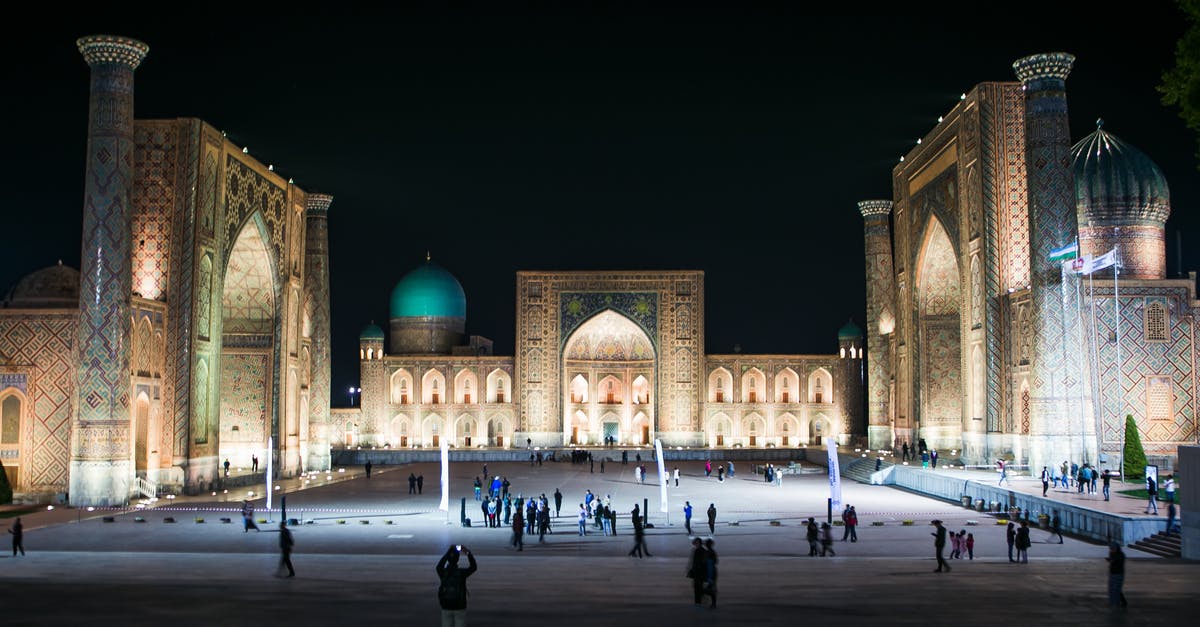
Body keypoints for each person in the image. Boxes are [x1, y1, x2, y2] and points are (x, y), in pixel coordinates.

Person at [436, 545, 477, 627]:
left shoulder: (443, 572)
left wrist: (448, 552)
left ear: (448, 559)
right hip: (460, 606)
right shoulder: (461, 573)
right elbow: (473, 567)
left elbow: (439, 566)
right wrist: (467, 552)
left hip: (446, 605)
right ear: (457, 559)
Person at [686, 537, 708, 607]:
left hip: (699, 572)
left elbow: (701, 562)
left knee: (697, 587)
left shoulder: (700, 550)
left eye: (696, 543)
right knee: (697, 586)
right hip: (698, 571)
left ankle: (698, 601)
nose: (696, 544)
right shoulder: (698, 550)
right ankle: (698, 600)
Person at [1107, 542, 1128, 609]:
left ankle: (1118, 602)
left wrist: (1113, 561)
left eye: (1112, 549)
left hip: (1118, 573)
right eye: (1111, 549)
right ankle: (1113, 602)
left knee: (1116, 589)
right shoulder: (1112, 553)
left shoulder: (1121, 555)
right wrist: (1111, 561)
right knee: (1112, 588)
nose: (1111, 550)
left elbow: (1119, 563)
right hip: (1112, 573)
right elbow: (1112, 562)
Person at [703, 538, 718, 609]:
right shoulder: (711, 552)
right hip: (712, 572)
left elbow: (712, 562)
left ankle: (713, 603)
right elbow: (716, 561)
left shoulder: (708, 552)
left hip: (711, 572)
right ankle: (713, 603)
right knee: (711, 587)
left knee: (709, 588)